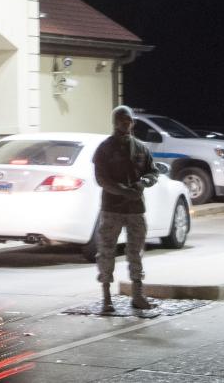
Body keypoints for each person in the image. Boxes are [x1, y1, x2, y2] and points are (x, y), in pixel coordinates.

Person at [92, 105, 158, 312]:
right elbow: (101, 178)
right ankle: (106, 297)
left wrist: (143, 182)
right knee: (106, 252)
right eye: (121, 120)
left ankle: (138, 295)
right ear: (114, 122)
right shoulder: (104, 148)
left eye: (128, 120)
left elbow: (152, 172)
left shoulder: (141, 148)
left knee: (136, 252)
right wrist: (121, 190)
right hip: (112, 208)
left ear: (132, 122)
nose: (125, 123)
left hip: (135, 208)